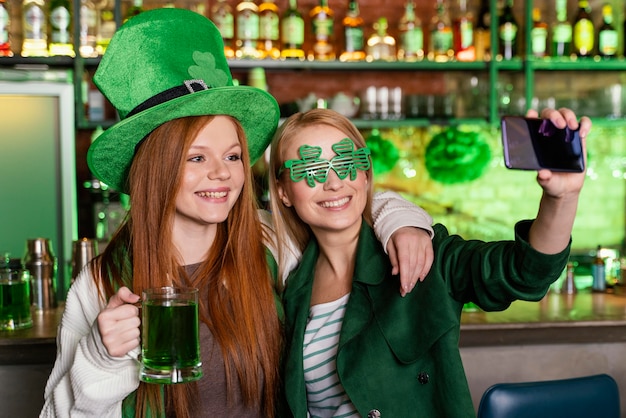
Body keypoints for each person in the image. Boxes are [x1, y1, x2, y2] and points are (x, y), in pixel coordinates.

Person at [40, 8, 434, 418]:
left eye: (232, 155)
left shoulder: (272, 243)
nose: (222, 174)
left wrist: (402, 224)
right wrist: (101, 357)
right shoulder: (100, 282)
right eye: (196, 157)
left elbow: (341, 199)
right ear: (156, 167)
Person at [268, 107, 590, 418]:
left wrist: (561, 198)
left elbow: (523, 272)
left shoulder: (426, 256)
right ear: (283, 191)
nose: (334, 182)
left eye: (348, 161)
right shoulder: (291, 289)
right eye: (311, 170)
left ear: (366, 174)